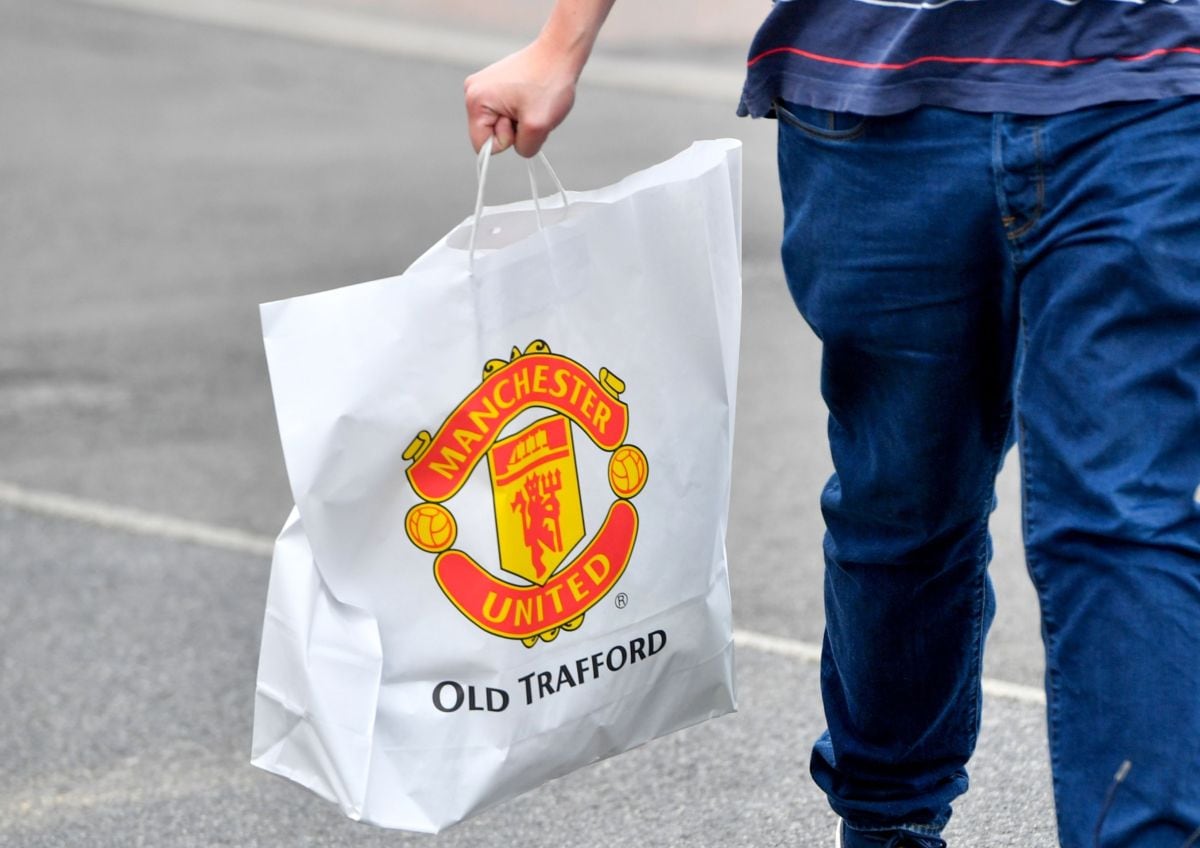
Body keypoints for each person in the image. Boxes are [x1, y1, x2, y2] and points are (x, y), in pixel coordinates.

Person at [463, 2, 1200, 846]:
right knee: (899, 510)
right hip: (874, 98)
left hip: (1141, 88)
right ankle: (887, 826)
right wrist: (563, 42)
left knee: (1120, 516)